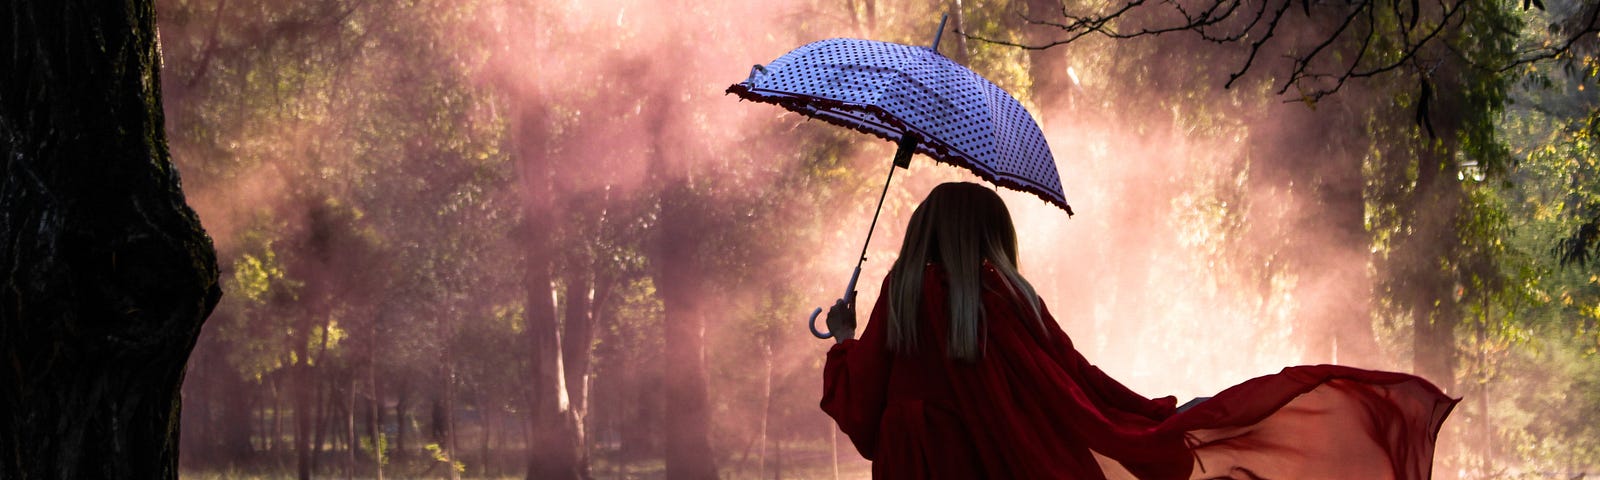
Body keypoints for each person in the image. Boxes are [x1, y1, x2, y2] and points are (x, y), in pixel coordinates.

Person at [820, 182, 1455, 480]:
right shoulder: (1007, 301)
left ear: (923, 231)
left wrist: (846, 340)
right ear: (992, 239)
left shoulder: (897, 299)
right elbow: (1074, 383)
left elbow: (864, 420)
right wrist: (1153, 421)